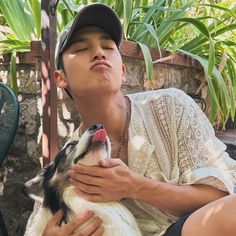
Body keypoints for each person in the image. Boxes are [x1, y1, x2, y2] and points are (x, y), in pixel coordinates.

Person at [25, 3, 236, 236]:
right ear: (60, 77)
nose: (99, 52)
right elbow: (37, 225)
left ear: (122, 71)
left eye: (107, 46)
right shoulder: (65, 168)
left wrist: (135, 187)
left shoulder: (171, 107)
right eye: (82, 48)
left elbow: (220, 196)